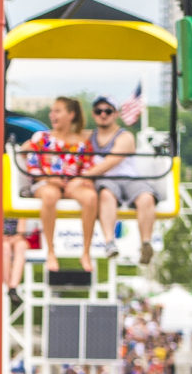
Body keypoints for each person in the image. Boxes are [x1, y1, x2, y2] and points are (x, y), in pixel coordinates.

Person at [18, 97, 97, 272]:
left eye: (57, 111)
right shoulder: (42, 138)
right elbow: (32, 165)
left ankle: (86, 252)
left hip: (71, 185)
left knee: (90, 197)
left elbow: (88, 168)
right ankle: (51, 251)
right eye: (52, 111)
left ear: (71, 115)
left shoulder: (82, 143)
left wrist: (79, 180)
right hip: (45, 183)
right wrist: (48, 178)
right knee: (50, 195)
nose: (52, 115)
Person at [84, 94, 161, 262]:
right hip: (106, 182)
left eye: (108, 111)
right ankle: (109, 242)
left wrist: (85, 175)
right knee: (106, 194)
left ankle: (146, 243)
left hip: (129, 178)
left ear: (115, 114)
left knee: (147, 197)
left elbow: (112, 161)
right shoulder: (88, 136)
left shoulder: (125, 136)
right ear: (93, 114)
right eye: (99, 111)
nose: (103, 114)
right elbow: (64, 137)